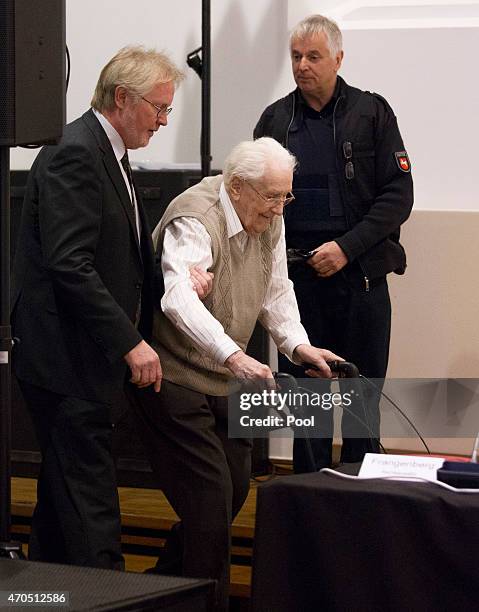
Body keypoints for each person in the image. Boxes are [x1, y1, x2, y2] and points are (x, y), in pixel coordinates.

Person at [129, 137, 342, 611]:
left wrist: (299, 346)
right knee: (209, 502)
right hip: (175, 375)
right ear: (237, 187)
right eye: (271, 196)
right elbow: (178, 298)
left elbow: (276, 288)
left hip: (225, 376)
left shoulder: (270, 217)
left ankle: (153, 591)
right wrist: (234, 357)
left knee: (235, 491)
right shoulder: (195, 217)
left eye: (285, 196)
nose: (280, 207)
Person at [10, 46, 187, 569]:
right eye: (158, 108)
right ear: (121, 98)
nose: (162, 121)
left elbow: (122, 252)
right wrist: (130, 341)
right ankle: (111, 596)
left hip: (81, 356)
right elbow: (71, 264)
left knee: (63, 497)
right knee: (91, 501)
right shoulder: (75, 150)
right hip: (63, 357)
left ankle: (38, 594)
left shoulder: (108, 151)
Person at [254, 14, 414, 473]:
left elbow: (398, 197)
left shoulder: (371, 113)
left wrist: (345, 248)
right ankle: (310, 499)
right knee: (309, 409)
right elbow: (252, 196)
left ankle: (362, 504)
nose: (302, 65)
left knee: (363, 407)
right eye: (296, 56)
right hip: (300, 287)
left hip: (361, 281)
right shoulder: (275, 120)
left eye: (314, 56)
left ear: (338, 59)